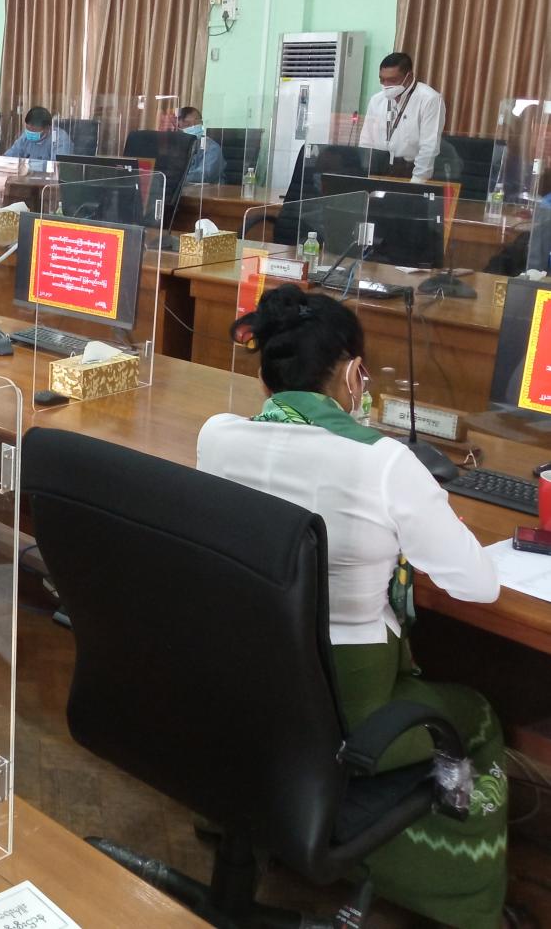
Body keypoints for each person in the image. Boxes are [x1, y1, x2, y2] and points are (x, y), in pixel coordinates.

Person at [197, 284, 507, 929]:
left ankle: (264, 826)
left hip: (241, 690)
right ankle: (455, 896)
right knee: (476, 716)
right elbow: (479, 586)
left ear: (266, 375)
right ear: (354, 373)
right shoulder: (385, 464)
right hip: (345, 715)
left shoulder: (217, 437)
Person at [358, 52, 446, 181]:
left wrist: (417, 181)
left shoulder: (429, 99)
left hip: (410, 170)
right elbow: (366, 140)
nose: (386, 85)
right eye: (382, 79)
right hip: (378, 169)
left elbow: (429, 146)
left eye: (392, 80)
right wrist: (365, 171)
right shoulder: (376, 100)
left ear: (409, 76)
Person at [175, 106, 225, 185]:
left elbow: (204, 175)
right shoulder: (177, 147)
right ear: (179, 128)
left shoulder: (212, 148)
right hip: (183, 189)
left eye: (196, 123)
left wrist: (175, 177)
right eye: (187, 125)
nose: (193, 126)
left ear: (201, 123)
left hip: (209, 190)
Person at [3, 107, 72, 163]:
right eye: (28, 129)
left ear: (47, 128)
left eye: (34, 130)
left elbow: (58, 167)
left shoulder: (60, 140)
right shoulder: (25, 136)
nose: (30, 133)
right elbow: (9, 156)